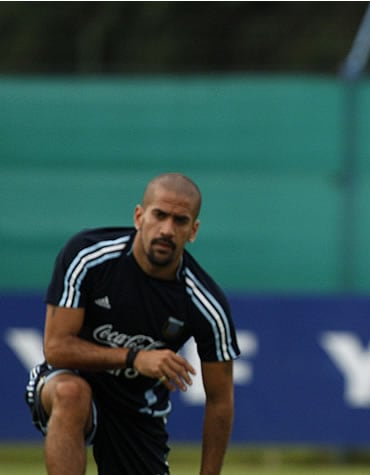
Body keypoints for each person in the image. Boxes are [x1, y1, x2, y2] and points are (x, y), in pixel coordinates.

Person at [25, 172, 241, 475]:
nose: (167, 229)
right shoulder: (87, 255)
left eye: (180, 221)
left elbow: (220, 400)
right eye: (159, 215)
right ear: (139, 216)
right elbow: (56, 348)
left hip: (137, 408)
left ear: (193, 231)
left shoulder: (205, 303)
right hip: (71, 378)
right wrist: (135, 357)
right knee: (71, 394)